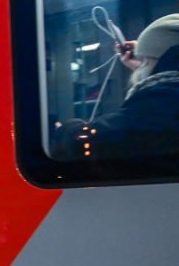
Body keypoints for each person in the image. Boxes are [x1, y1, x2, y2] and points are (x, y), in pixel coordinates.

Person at [56, 14, 179, 159]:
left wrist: (67, 131)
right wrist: (147, 66)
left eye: (146, 61)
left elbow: (97, 139)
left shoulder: (162, 103)